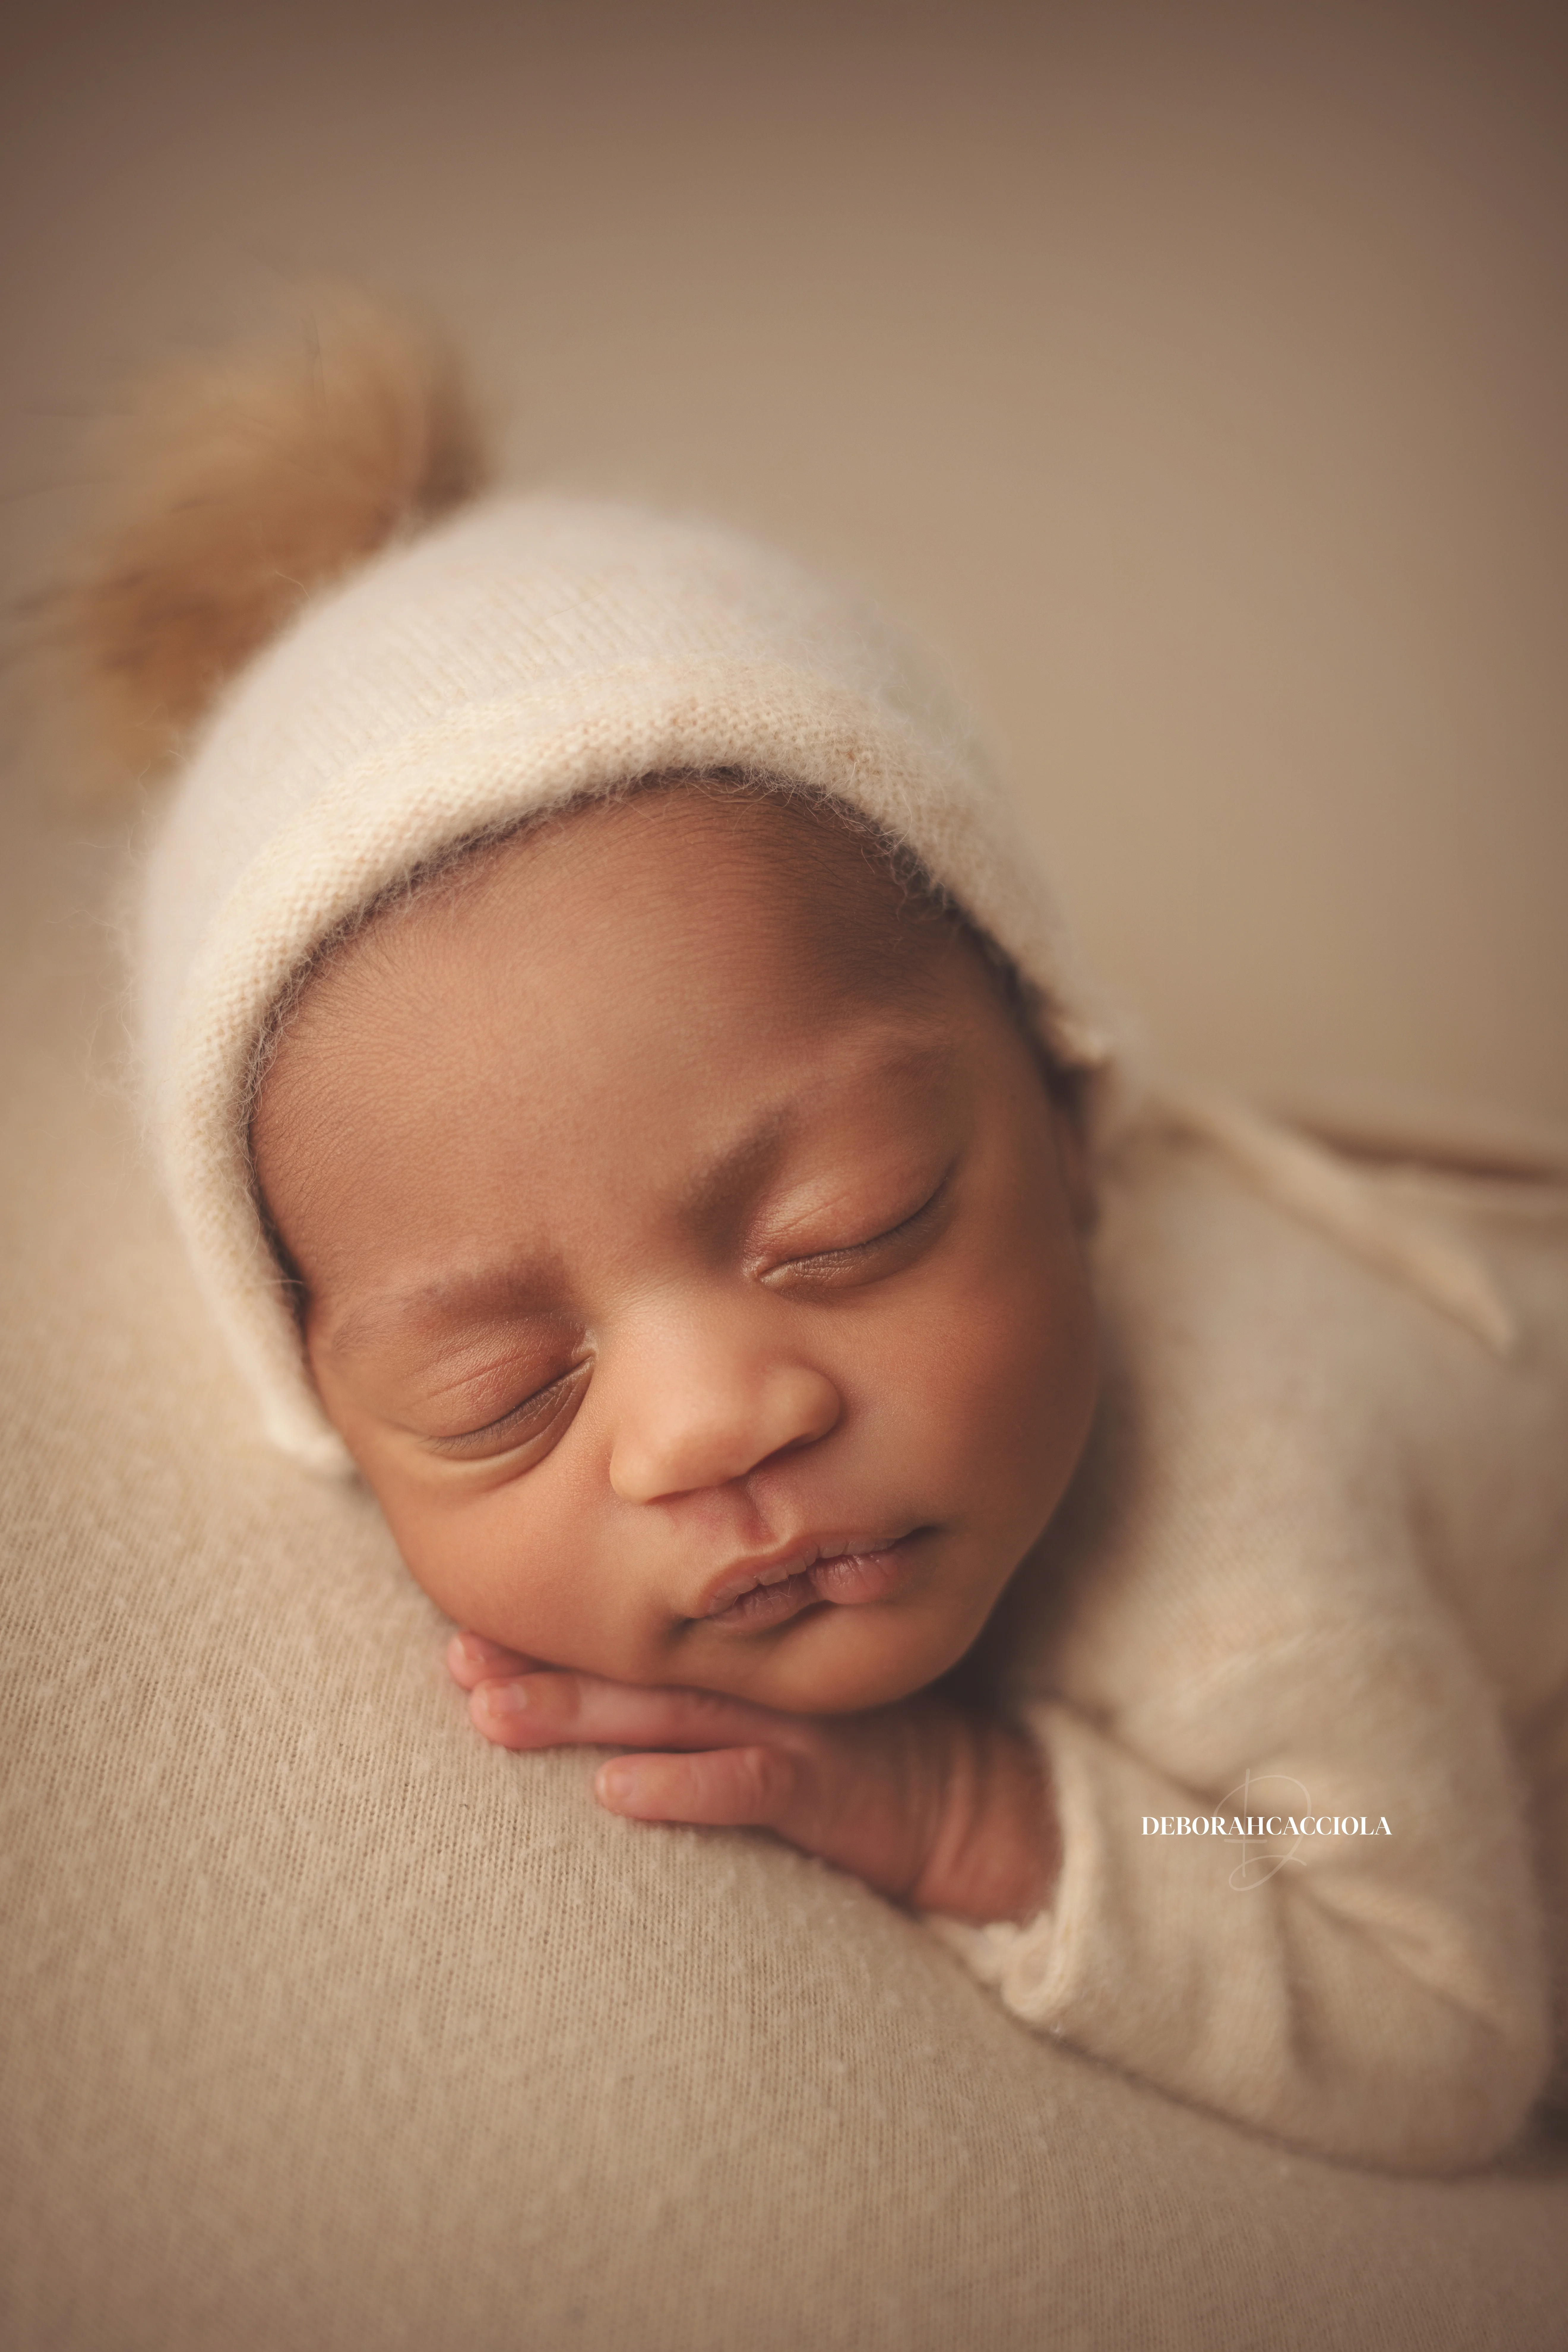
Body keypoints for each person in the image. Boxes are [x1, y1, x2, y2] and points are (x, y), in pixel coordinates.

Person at [56, 292, 1568, 2174]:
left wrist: (978, 1812)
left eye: (851, 1228)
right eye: (500, 1391)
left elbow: (1431, 1988)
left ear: (1068, 1110)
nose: (712, 1425)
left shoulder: (1249, 1503)